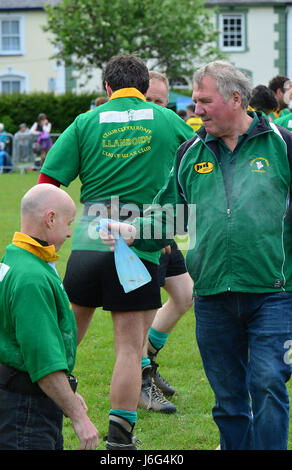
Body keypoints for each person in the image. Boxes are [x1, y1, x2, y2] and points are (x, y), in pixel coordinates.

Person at [101, 60, 292, 450]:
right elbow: (167, 210)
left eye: (204, 101)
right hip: (211, 299)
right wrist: (133, 231)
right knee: (228, 401)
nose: (195, 110)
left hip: (274, 294)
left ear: (235, 99)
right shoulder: (189, 152)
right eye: (195, 101)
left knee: (268, 384)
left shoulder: (283, 144)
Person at [37, 53, 195, 450]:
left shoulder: (85, 122)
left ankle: (36, 414)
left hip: (91, 238)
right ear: (145, 89)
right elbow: (200, 162)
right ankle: (120, 440)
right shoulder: (167, 119)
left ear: (106, 88)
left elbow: (47, 182)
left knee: (66, 336)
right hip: (138, 244)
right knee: (128, 347)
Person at [0, 184, 99, 450]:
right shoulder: (32, 277)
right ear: (50, 218)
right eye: (68, 223)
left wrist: (67, 397)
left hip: (20, 401)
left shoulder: (17, 256)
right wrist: (78, 416)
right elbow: (43, 360)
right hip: (25, 413)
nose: (69, 232)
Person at [141, 70, 194, 411]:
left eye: (162, 102)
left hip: (165, 226)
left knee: (185, 294)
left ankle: (149, 358)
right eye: (150, 101)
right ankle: (142, 382)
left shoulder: (171, 125)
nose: (158, 108)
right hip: (139, 227)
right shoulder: (128, 131)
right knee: (139, 313)